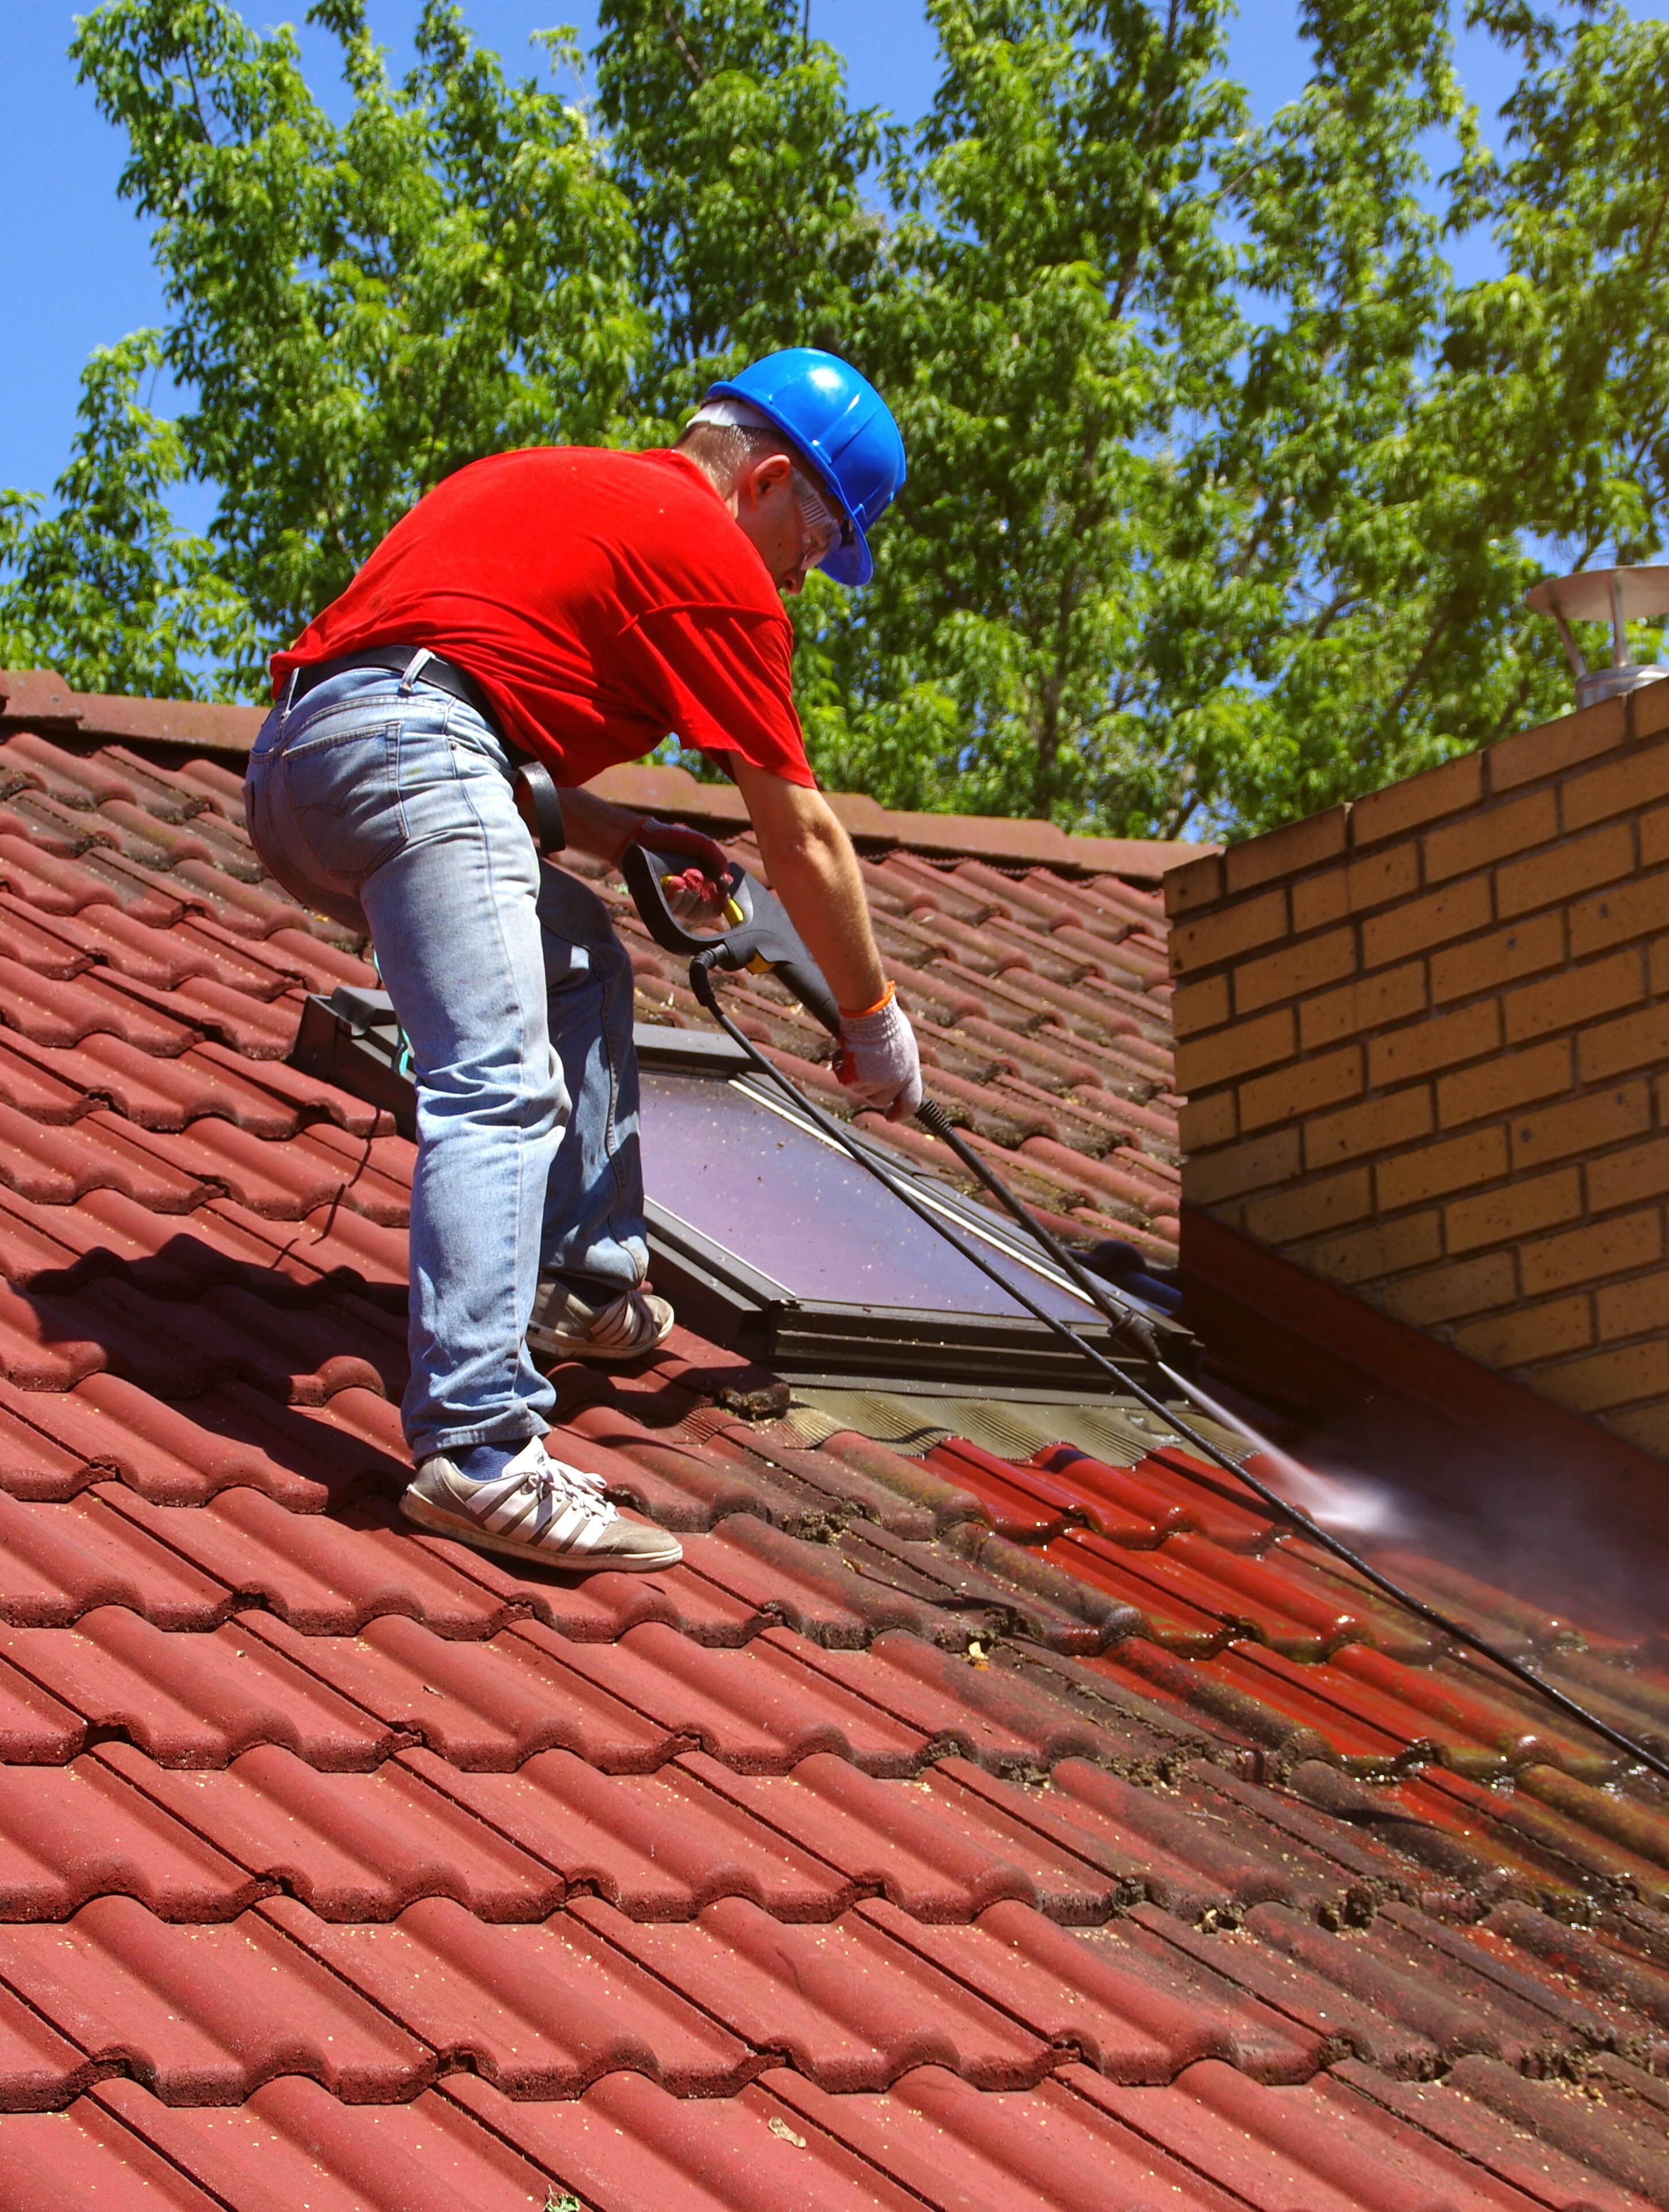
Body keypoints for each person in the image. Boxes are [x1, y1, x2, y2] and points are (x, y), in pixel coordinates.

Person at [244, 349, 921, 1575]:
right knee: (497, 1079)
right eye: (814, 544)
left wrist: (621, 835)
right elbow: (803, 832)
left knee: (574, 961)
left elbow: (436, 706)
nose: (800, 579)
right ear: (768, 480)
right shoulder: (713, 557)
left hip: (296, 771)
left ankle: (585, 1281)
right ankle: (479, 1451)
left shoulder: (557, 480)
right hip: (415, 750)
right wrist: (870, 1017)